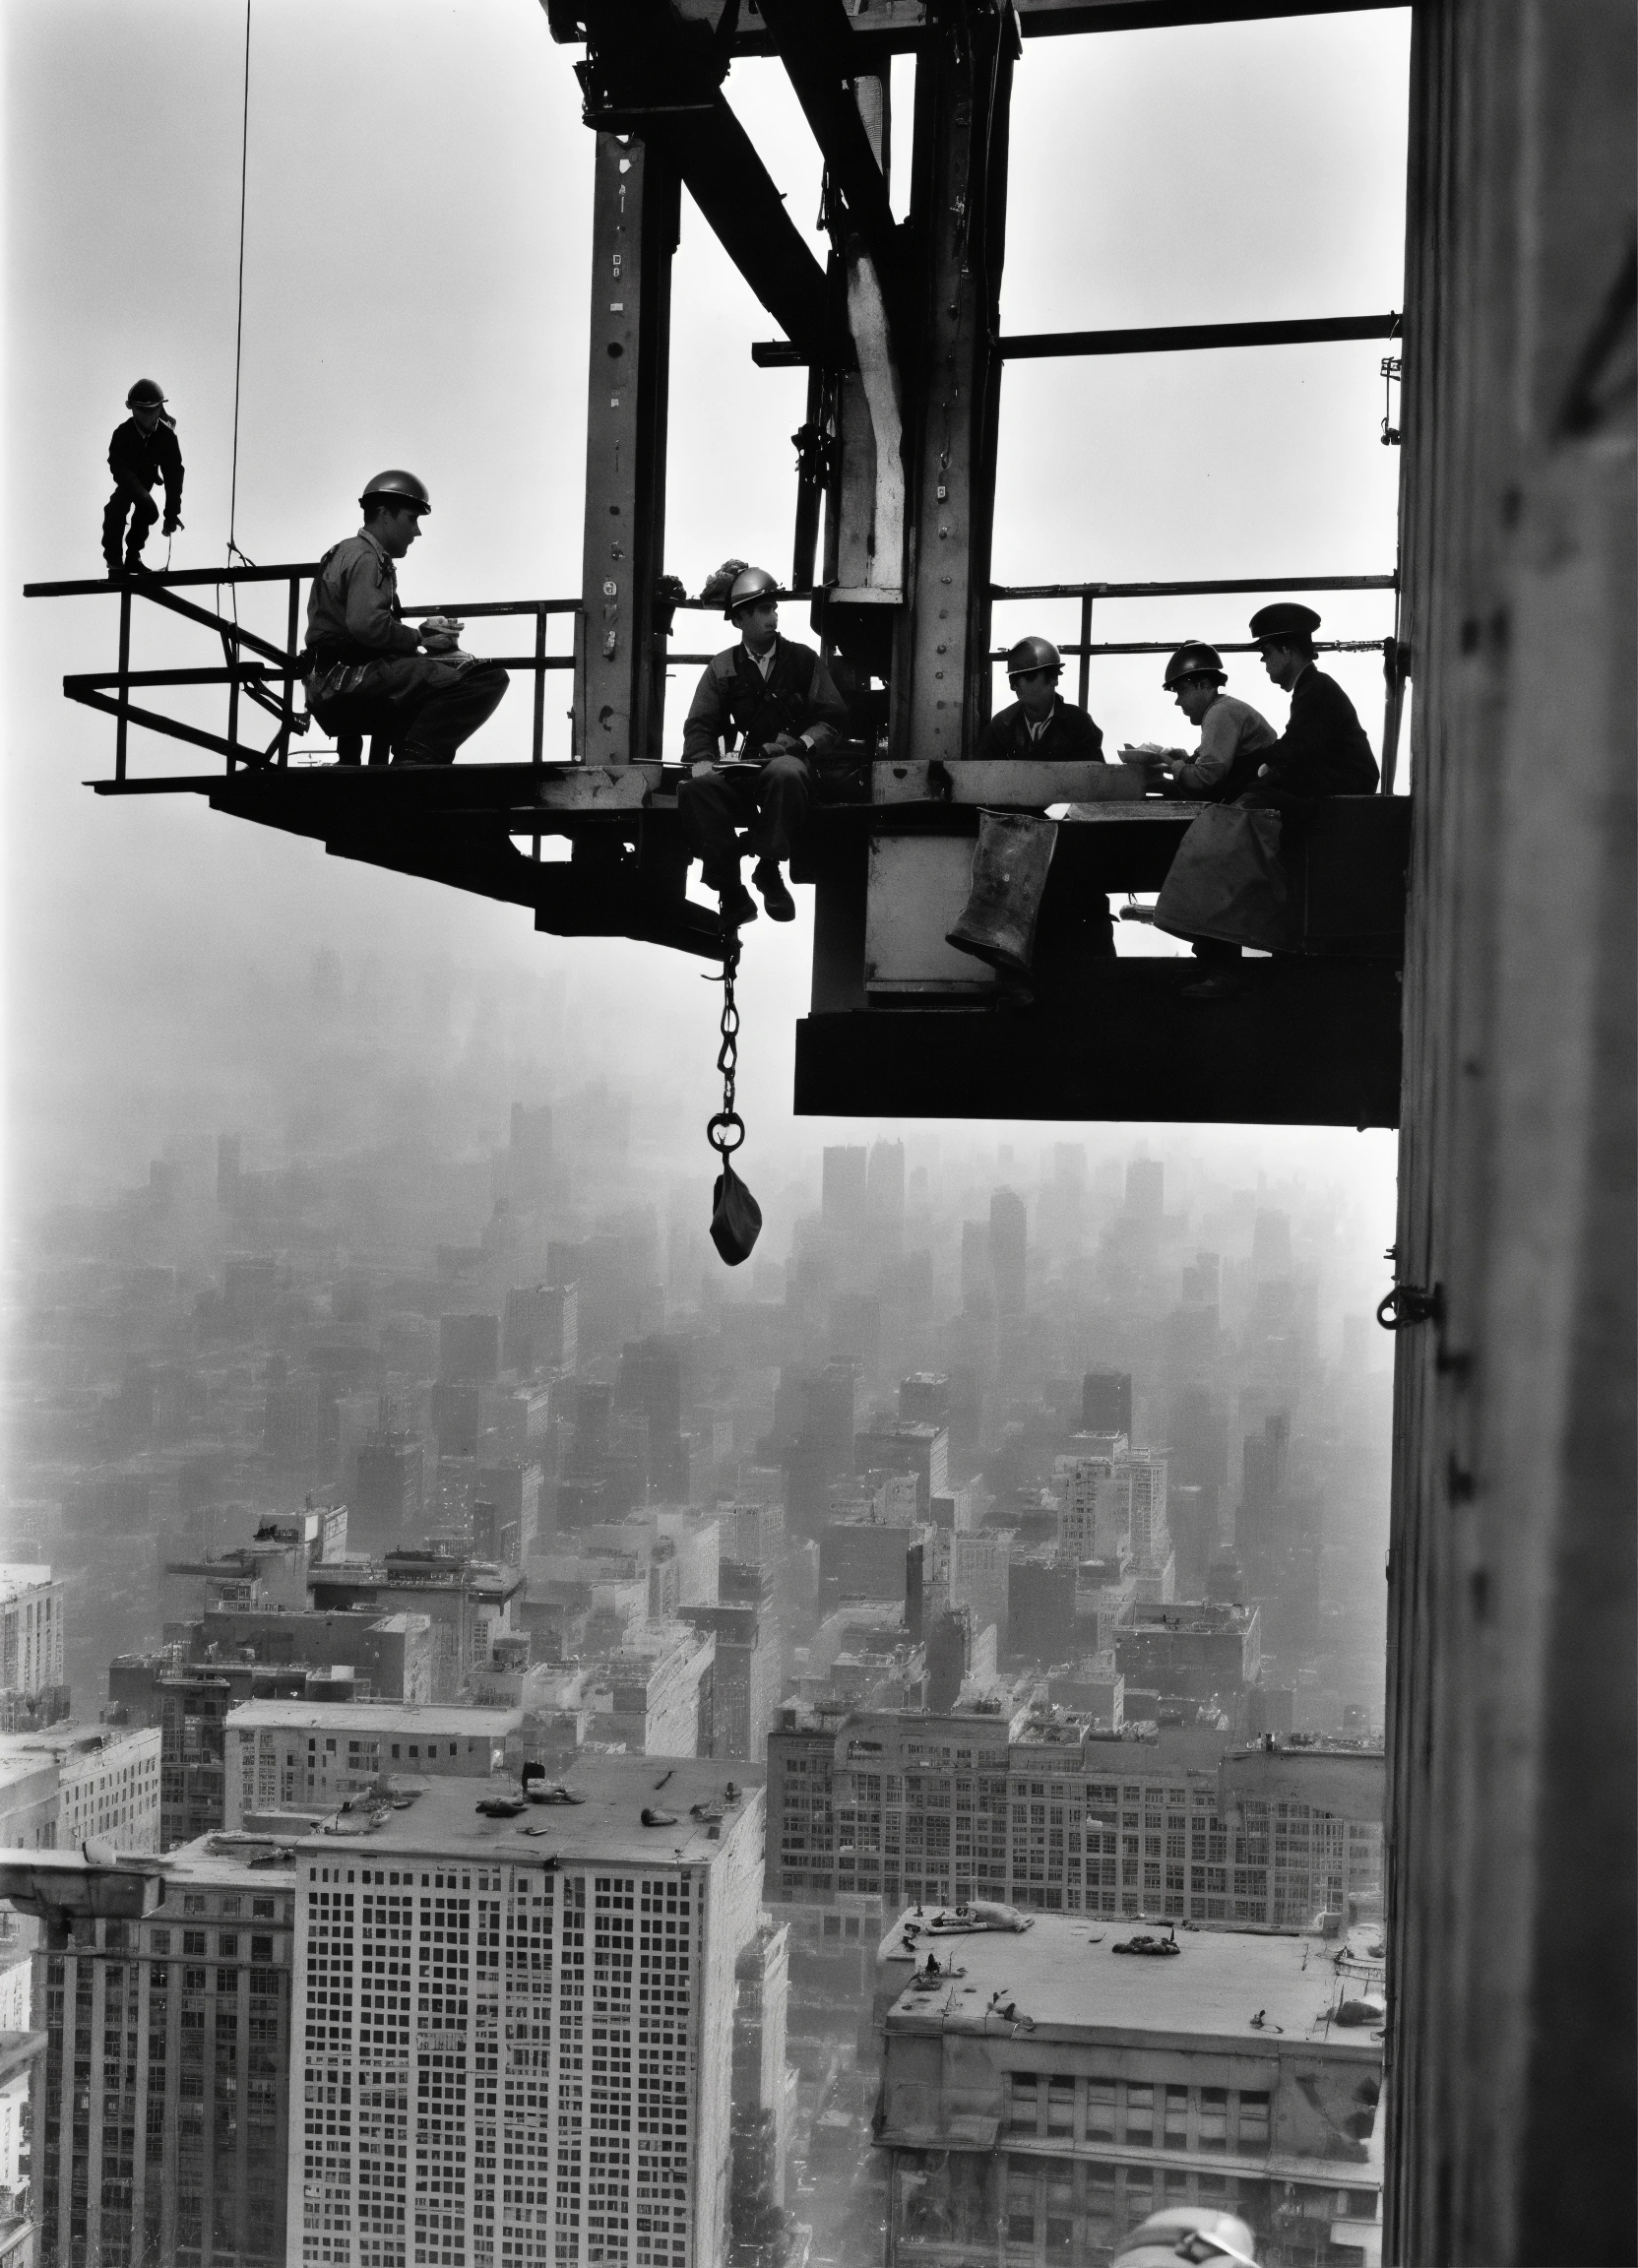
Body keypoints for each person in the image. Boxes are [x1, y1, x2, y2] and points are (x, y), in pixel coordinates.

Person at [678, 562, 850, 929]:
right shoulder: (723, 667)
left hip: (789, 763)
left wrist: (801, 745)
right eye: (761, 610)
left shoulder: (802, 659)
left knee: (787, 774)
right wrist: (703, 760)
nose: (772, 616)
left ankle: (768, 870)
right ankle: (731, 888)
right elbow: (700, 725)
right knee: (696, 788)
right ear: (740, 620)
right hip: (741, 768)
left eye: (772, 608)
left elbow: (832, 717)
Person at [303, 470, 509, 767]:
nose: (417, 531)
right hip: (347, 679)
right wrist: (421, 638)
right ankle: (415, 758)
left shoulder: (348, 551)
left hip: (330, 676)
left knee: (439, 673)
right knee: (484, 677)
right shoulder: (365, 557)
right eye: (412, 519)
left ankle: (412, 754)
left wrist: (425, 631)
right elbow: (367, 626)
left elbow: (357, 626)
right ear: (386, 514)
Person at [1146, 640, 1279, 997]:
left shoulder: (1220, 713)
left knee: (1203, 863)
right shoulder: (1224, 712)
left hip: (1254, 819)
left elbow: (1207, 778)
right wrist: (1183, 759)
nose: (1177, 700)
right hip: (1248, 812)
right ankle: (1212, 963)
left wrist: (1170, 766)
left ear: (1204, 685)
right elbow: (1213, 764)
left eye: (1181, 690)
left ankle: (1223, 971)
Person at [976, 634, 1105, 760]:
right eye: (1013, 680)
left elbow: (1093, 778)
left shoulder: (1079, 723)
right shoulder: (1001, 725)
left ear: (1053, 679)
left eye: (1028, 677)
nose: (1015, 687)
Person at [102, 379, 183, 576]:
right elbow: (117, 466)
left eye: (150, 411)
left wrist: (171, 514)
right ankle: (114, 562)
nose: (145, 416)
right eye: (140, 411)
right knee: (116, 507)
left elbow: (174, 476)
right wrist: (140, 496)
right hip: (126, 478)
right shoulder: (122, 434)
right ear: (132, 409)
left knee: (148, 512)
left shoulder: (166, 438)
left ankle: (133, 557)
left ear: (159, 409)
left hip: (147, 477)